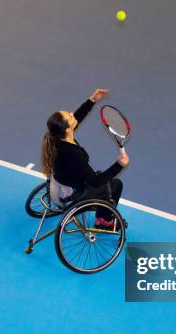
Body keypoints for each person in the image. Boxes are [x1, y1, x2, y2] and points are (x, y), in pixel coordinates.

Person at [40, 88, 129, 229]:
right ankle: (104, 222)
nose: (71, 114)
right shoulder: (74, 155)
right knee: (115, 184)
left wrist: (92, 100)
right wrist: (119, 165)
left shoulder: (57, 139)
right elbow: (95, 182)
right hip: (70, 199)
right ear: (68, 129)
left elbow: (77, 117)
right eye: (69, 116)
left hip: (56, 191)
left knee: (99, 176)